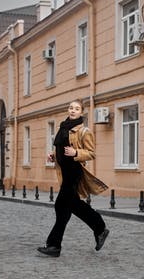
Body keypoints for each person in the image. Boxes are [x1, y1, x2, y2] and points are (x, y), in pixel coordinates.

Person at [37, 99, 110, 257]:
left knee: (60, 205)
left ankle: (54, 246)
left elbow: (91, 153)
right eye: (70, 107)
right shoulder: (63, 127)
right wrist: (53, 156)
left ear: (81, 112)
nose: (73, 110)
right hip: (64, 172)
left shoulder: (84, 131)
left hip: (74, 172)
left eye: (76, 108)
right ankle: (100, 228)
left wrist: (76, 153)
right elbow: (61, 149)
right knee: (71, 206)